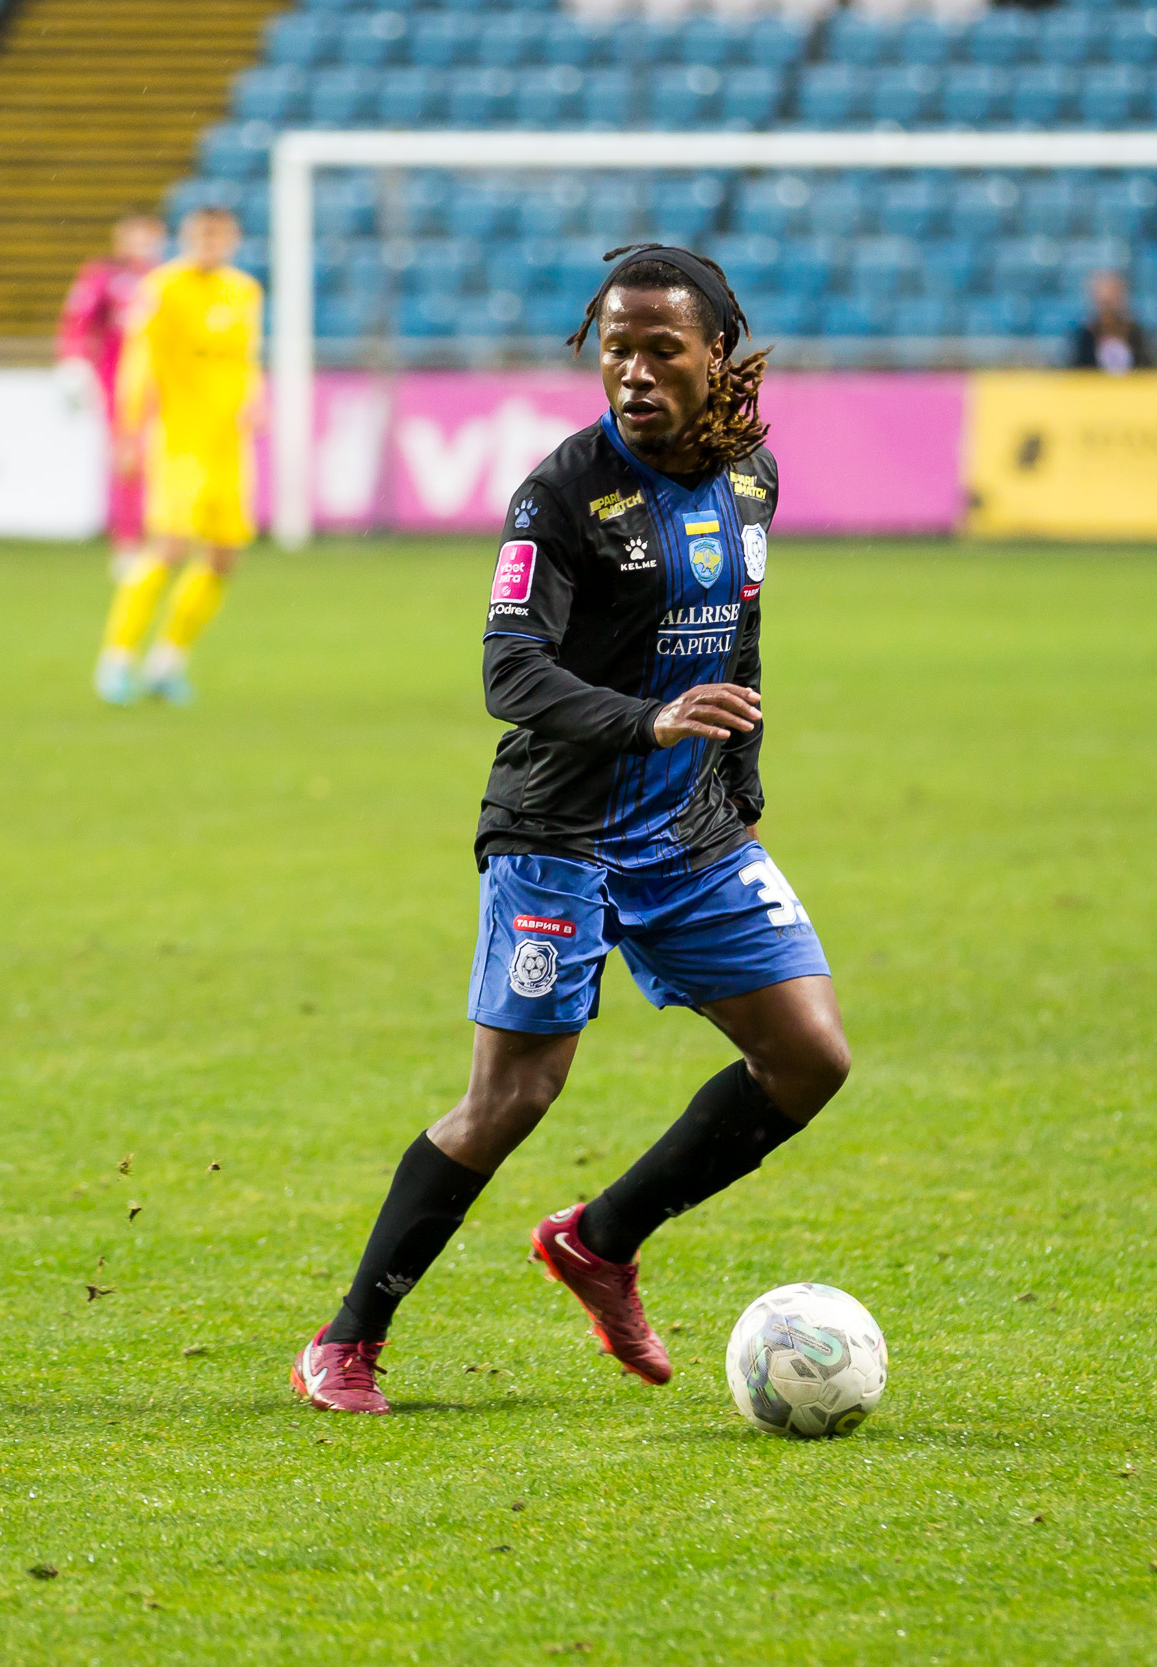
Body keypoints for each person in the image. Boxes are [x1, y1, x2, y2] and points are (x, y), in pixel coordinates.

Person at [292, 244, 851, 1416]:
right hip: (559, 827)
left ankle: (600, 1239)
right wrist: (650, 721)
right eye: (615, 348)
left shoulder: (752, 476)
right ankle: (347, 1339)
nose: (633, 371)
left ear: (715, 353)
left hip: (690, 826)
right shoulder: (561, 494)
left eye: (660, 349)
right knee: (513, 1096)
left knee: (809, 1055)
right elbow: (509, 670)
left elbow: (740, 635)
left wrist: (739, 777)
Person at [93, 206, 261, 707]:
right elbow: (138, 361)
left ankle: (167, 663)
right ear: (187, 239)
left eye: (220, 235)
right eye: (202, 235)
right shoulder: (163, 288)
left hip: (227, 443)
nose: (211, 244)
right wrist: (128, 432)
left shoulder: (244, 291)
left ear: (232, 240)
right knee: (169, 548)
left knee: (224, 556)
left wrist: (257, 398)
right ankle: (117, 658)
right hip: (179, 441)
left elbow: (245, 359)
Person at [55, 212, 164, 578]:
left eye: (147, 236)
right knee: (128, 460)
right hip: (120, 382)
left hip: (167, 384)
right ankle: (127, 541)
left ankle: (165, 537)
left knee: (166, 460)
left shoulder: (169, 278)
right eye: (133, 236)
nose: (140, 243)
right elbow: (77, 322)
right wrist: (72, 362)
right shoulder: (102, 275)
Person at [1066, 268, 1154, 374]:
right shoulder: (1084, 335)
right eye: (1104, 301)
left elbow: (1147, 370)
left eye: (1114, 296)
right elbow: (1078, 372)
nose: (1108, 306)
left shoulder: (1136, 333)